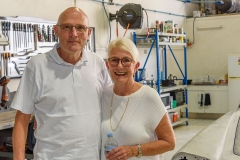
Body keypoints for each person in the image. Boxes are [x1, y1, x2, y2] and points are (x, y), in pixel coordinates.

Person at [11, 7, 111, 160]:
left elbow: (111, 103)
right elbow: (22, 118)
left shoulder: (97, 62)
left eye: (80, 28)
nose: (74, 34)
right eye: (66, 27)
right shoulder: (37, 66)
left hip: (93, 155)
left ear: (88, 33)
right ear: (56, 31)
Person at [101, 37, 176, 160]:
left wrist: (133, 150)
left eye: (126, 60)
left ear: (136, 66)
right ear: (108, 65)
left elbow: (170, 142)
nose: (120, 66)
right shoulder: (104, 95)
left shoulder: (148, 96)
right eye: (114, 60)